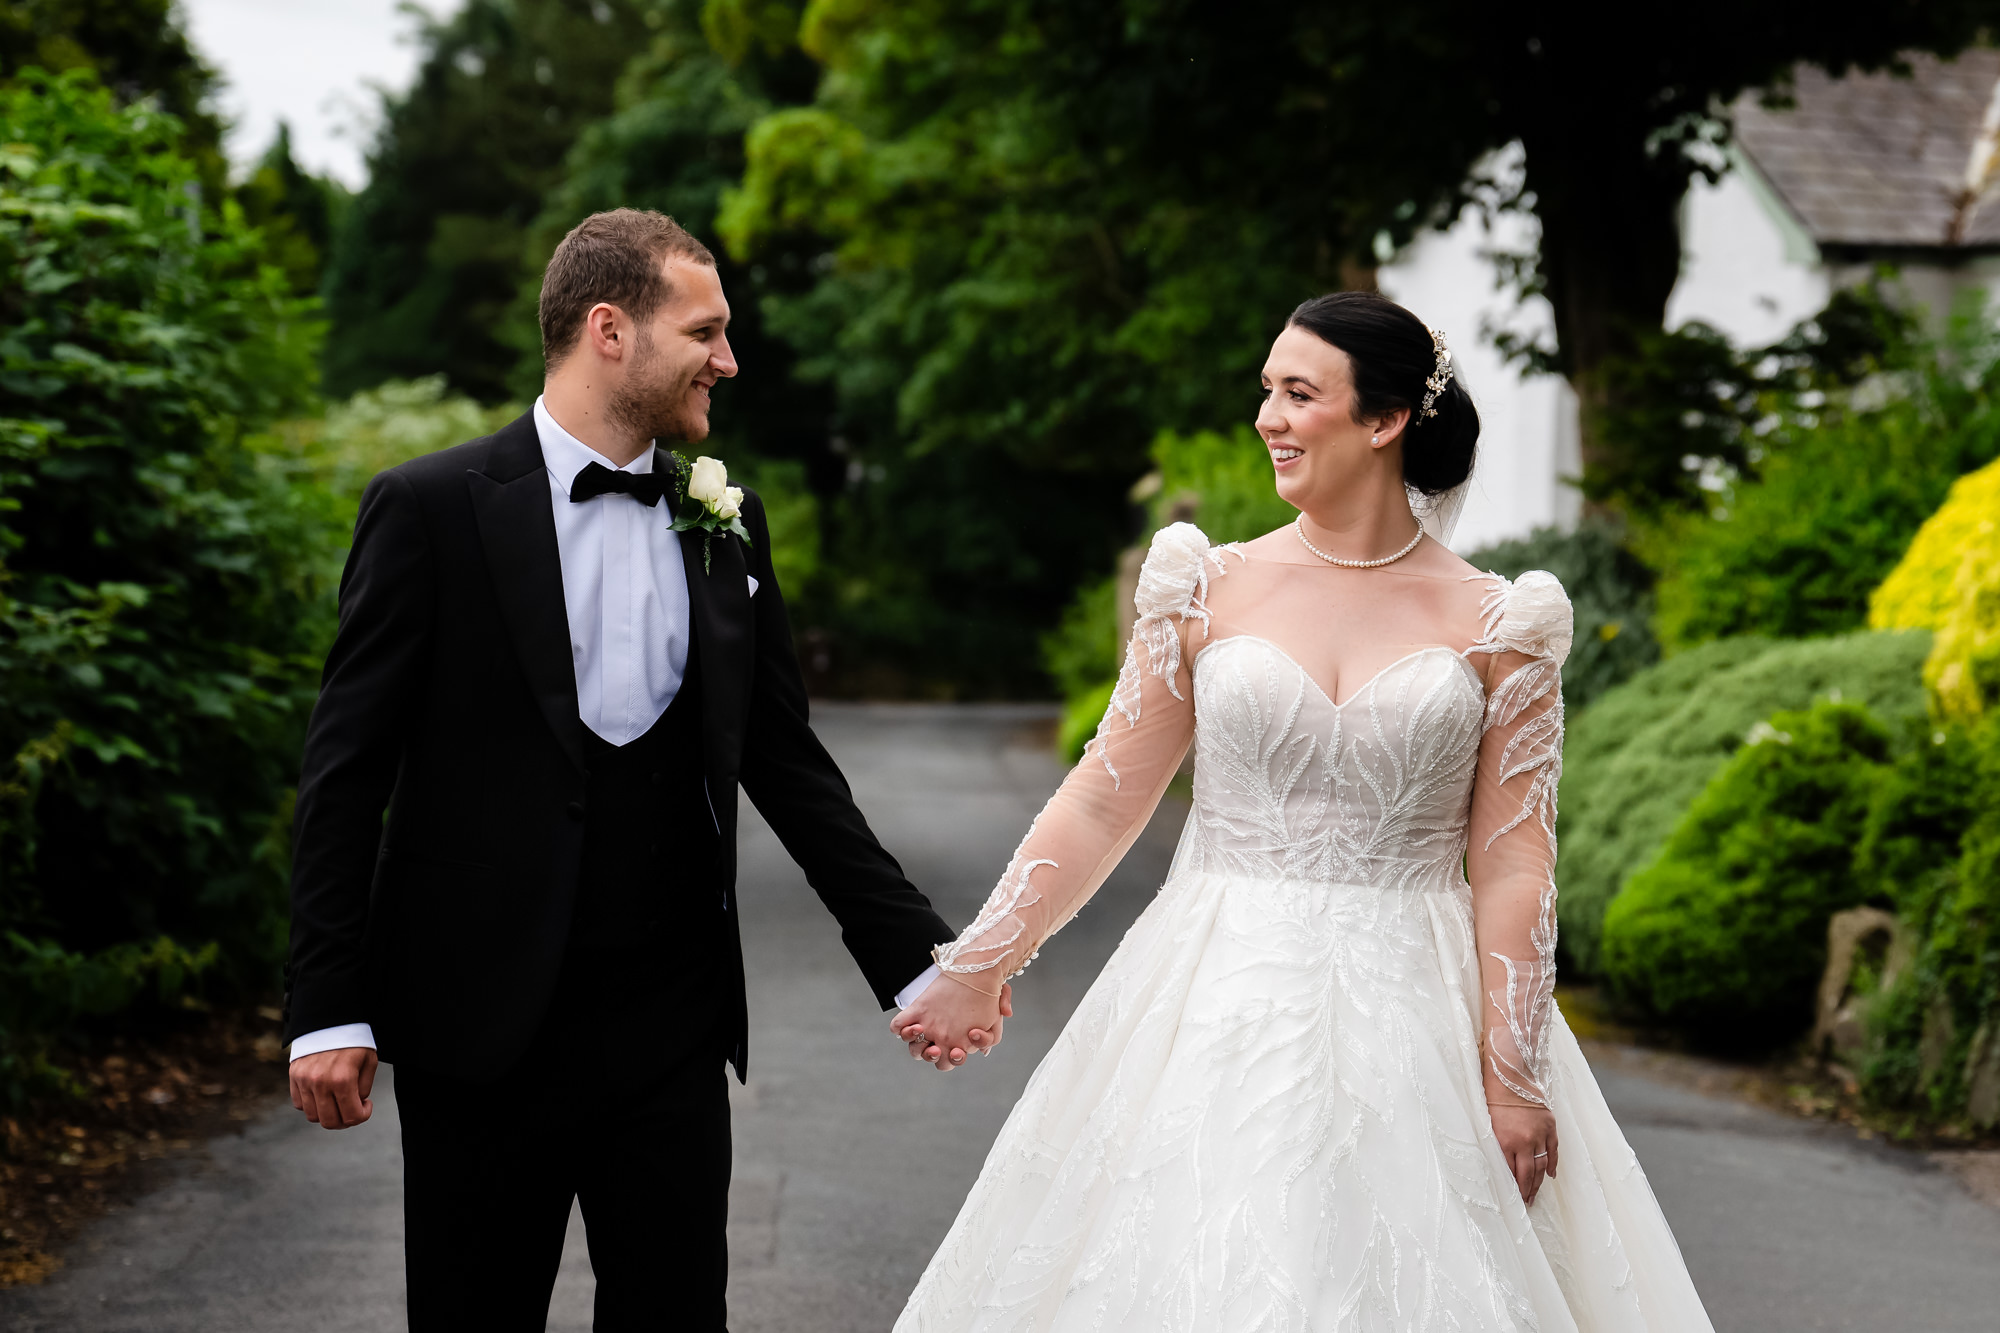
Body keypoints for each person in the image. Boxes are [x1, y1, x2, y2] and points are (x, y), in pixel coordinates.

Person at [890, 292, 1716, 1330]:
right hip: (1209, 994)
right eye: (1265, 392)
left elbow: (1511, 864)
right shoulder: (1203, 587)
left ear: (1382, 422)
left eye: (1296, 393)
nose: (1266, 418)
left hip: (1419, 1009)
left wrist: (1511, 1077)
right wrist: (979, 962)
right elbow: (1105, 795)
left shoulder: (1502, 622)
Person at [280, 208, 1005, 1331]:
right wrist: (328, 1004)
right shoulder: (429, 510)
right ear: (608, 330)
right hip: (477, 1029)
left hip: (668, 1028)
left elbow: (789, 766)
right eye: (704, 330)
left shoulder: (726, 520)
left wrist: (917, 958)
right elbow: (344, 771)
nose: (728, 358)